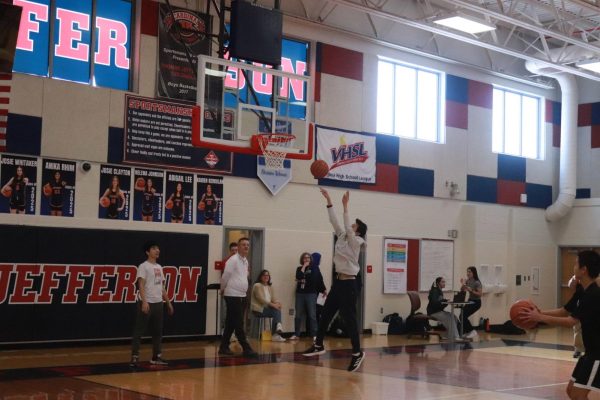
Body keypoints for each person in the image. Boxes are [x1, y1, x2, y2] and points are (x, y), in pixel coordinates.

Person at [303, 189, 367, 372]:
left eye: (354, 226)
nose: (351, 227)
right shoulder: (342, 237)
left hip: (349, 284)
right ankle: (319, 344)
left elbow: (347, 227)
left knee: (350, 320)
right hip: (338, 283)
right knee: (325, 314)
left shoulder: (358, 242)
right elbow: (334, 221)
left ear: (358, 231)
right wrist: (329, 201)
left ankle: (357, 352)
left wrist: (345, 206)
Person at [521, 250, 600, 400]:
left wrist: (540, 317)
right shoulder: (582, 291)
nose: (574, 266)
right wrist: (540, 313)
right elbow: (564, 311)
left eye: (576, 263)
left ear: (584, 269)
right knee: (571, 391)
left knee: (578, 395)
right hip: (590, 352)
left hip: (598, 354)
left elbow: (571, 321)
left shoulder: (593, 295)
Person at [130, 241, 174, 367]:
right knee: (139, 331)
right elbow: (141, 285)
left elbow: (162, 287)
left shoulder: (159, 267)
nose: (157, 250)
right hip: (147, 302)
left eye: (158, 248)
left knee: (157, 332)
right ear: (148, 252)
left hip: (158, 303)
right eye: (154, 248)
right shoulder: (143, 266)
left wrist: (168, 302)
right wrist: (144, 301)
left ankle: (156, 357)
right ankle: (135, 357)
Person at [218, 237, 258, 357]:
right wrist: (222, 288)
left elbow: (244, 276)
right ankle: (246, 347)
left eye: (247, 245)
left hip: (241, 295)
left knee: (231, 322)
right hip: (232, 295)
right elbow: (225, 276)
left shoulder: (245, 261)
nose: (246, 247)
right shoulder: (233, 260)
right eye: (243, 245)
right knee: (238, 321)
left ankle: (223, 347)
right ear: (239, 247)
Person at [291, 252, 327, 340]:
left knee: (312, 314)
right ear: (302, 260)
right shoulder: (299, 268)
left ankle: (314, 334)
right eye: (304, 258)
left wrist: (324, 289)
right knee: (298, 314)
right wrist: (303, 267)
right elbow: (299, 276)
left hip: (311, 294)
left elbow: (319, 280)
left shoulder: (315, 268)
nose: (306, 259)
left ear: (311, 259)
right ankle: (296, 334)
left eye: (308, 258)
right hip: (300, 293)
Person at [251, 269, 286, 342]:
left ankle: (277, 328)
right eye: (264, 275)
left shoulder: (270, 287)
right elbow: (261, 299)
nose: (266, 277)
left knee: (277, 309)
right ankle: (276, 330)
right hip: (258, 309)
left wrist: (278, 303)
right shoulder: (257, 285)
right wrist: (273, 305)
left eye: (267, 275)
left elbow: (273, 298)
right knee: (276, 310)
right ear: (260, 277)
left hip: (267, 309)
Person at [426, 277, 460, 341]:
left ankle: (447, 335)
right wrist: (444, 302)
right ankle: (455, 336)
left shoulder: (439, 291)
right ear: (438, 283)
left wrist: (445, 301)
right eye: (442, 282)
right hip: (433, 312)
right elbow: (435, 304)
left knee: (454, 317)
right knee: (450, 318)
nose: (444, 283)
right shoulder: (435, 291)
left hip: (438, 311)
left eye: (444, 282)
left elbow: (440, 304)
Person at [460, 266, 482, 340]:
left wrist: (471, 290)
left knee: (463, 315)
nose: (468, 273)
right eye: (467, 272)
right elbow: (462, 290)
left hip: (476, 302)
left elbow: (480, 294)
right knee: (462, 315)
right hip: (470, 301)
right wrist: (463, 284)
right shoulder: (468, 281)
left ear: (473, 273)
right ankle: (467, 332)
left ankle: (472, 331)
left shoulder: (477, 282)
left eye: (469, 272)